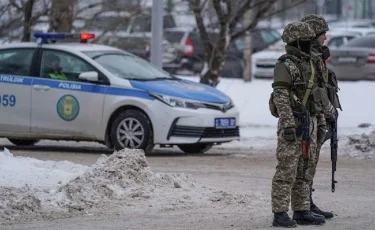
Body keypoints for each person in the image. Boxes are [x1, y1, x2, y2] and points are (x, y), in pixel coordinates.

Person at [270, 21, 336, 227]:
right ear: (296, 41)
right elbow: (280, 95)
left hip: (312, 122)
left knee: (305, 170)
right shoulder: (286, 64)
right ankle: (280, 213)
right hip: (295, 124)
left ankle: (301, 209)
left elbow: (320, 95)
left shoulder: (310, 63)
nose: (311, 43)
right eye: (306, 40)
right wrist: (289, 125)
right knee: (287, 170)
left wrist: (326, 118)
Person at [301, 14, 342, 219]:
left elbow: (325, 86)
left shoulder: (317, 56)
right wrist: (329, 111)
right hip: (308, 116)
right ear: (313, 33)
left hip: (318, 115)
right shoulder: (307, 57)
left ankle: (307, 202)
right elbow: (316, 89)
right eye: (323, 33)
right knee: (305, 163)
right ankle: (302, 207)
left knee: (312, 162)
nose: (325, 37)